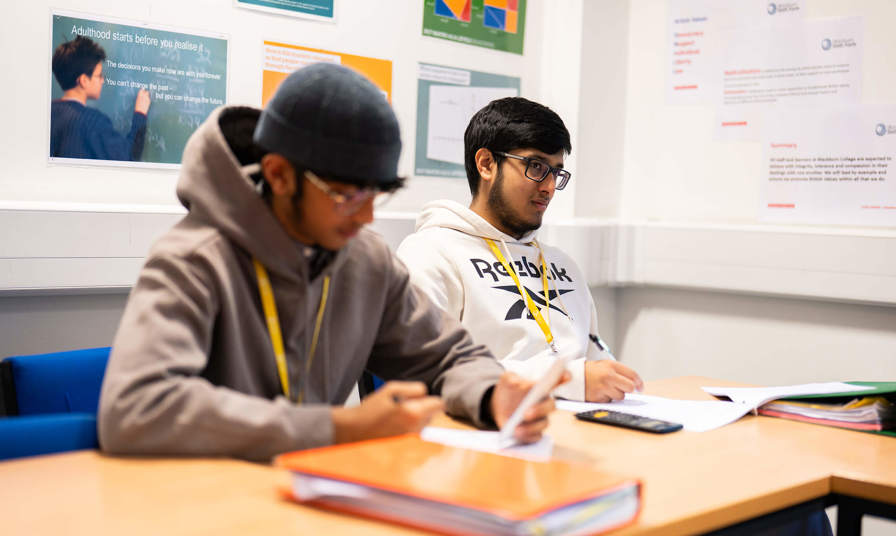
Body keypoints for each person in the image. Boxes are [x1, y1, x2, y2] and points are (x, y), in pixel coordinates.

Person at [98, 64, 560, 462]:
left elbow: (448, 354)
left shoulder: (365, 260)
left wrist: (491, 393)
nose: (366, 216)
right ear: (279, 174)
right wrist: (338, 428)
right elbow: (137, 408)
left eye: (376, 193)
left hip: (316, 492)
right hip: (209, 501)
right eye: (346, 195)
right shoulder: (194, 260)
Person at [397, 97, 642, 402]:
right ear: (486, 164)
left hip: (578, 427)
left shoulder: (562, 264)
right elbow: (426, 370)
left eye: (556, 172)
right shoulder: (430, 254)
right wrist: (567, 380)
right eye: (536, 166)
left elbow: (596, 363)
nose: (549, 187)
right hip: (487, 431)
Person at [50, 36, 150, 161]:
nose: (103, 80)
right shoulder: (94, 122)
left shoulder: (48, 112)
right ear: (84, 80)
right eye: (99, 76)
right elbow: (128, 157)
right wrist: (140, 114)